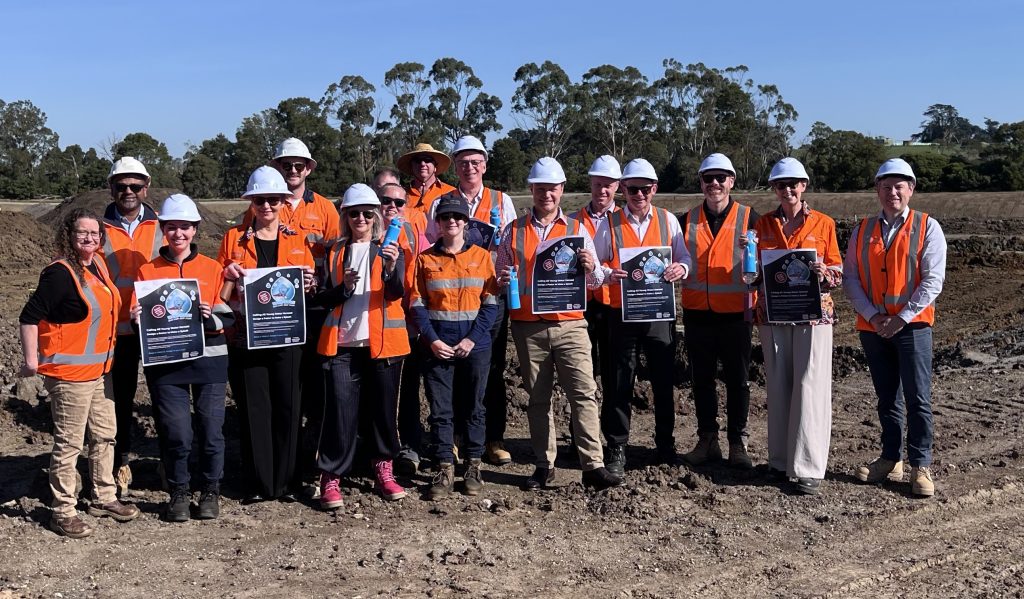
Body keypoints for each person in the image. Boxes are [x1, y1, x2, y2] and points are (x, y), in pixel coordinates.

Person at [496, 156, 623, 491]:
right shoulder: (512, 231)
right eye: (540, 189)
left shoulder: (577, 230)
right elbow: (500, 274)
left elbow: (596, 281)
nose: (546, 195)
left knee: (584, 394)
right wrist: (502, 276)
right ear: (532, 190)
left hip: (570, 325)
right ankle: (543, 465)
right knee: (538, 399)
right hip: (529, 327)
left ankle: (592, 465)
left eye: (552, 188)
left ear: (562, 190)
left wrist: (588, 267)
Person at [19, 208, 140, 538]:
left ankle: (103, 497)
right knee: (69, 444)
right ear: (68, 237)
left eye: (95, 233)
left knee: (105, 434)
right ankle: (62, 510)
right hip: (69, 376)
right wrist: (32, 361)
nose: (90, 238)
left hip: (100, 371)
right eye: (82, 233)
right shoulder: (59, 274)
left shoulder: (98, 265)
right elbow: (29, 317)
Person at [845, 158, 946, 498]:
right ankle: (891, 458)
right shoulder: (862, 231)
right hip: (873, 328)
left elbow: (933, 280)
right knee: (887, 397)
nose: (892, 192)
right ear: (877, 190)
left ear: (911, 189)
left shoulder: (927, 227)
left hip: (912, 327)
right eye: (886, 186)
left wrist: (900, 317)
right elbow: (851, 279)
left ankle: (921, 464)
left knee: (918, 398)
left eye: (899, 186)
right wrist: (873, 317)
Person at [131, 194, 234, 520]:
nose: (179, 234)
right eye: (172, 227)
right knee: (176, 431)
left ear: (195, 229)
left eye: (185, 227)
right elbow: (146, 325)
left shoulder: (212, 268)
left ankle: (210, 491)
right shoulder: (148, 272)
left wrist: (208, 317)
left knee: (210, 429)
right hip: (167, 364)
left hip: (209, 360)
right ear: (164, 229)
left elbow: (227, 317)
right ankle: (178, 492)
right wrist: (138, 320)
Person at [218, 166, 316, 504]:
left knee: (289, 407)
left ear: (283, 202)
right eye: (261, 201)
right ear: (252, 203)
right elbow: (220, 291)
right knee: (254, 408)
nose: (267, 207)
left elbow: (309, 285)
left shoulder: (297, 240)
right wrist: (227, 274)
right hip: (247, 337)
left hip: (288, 339)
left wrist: (310, 283)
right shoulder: (233, 239)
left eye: (273, 200)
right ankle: (260, 482)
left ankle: (287, 482)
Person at [313, 184, 410, 509]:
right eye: (354, 213)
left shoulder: (391, 247)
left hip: (384, 345)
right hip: (342, 347)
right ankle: (331, 475)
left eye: (367, 213)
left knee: (383, 412)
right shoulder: (335, 251)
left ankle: (384, 467)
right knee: (340, 413)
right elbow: (322, 297)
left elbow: (397, 293)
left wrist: (391, 268)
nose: (361, 218)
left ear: (377, 216)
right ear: (345, 216)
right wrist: (344, 289)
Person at [594, 158, 691, 474]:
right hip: (621, 315)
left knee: (663, 382)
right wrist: (608, 274)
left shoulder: (668, 221)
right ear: (623, 189)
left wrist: (682, 267)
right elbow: (594, 267)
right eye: (633, 189)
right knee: (620, 382)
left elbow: (684, 256)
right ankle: (617, 447)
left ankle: (665, 445)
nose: (639, 195)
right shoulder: (608, 224)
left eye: (645, 189)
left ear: (654, 189)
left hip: (659, 315)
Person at [753, 158, 842, 495]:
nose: (787, 190)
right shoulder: (762, 226)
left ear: (804, 185)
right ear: (774, 189)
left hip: (814, 316)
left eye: (793, 184)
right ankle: (779, 461)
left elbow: (837, 270)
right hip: (772, 317)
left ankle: (808, 466)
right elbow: (753, 274)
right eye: (780, 185)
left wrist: (824, 273)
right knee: (777, 386)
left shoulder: (824, 224)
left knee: (810, 388)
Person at [429, 135, 519, 467]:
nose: (470, 168)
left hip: (490, 296)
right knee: (452, 367)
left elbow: (510, 243)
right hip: (451, 298)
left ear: (485, 165)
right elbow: (432, 244)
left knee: (491, 368)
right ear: (456, 165)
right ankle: (452, 439)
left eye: (476, 162)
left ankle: (493, 438)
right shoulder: (443, 201)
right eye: (464, 162)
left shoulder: (501, 200)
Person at [409, 194, 499, 499]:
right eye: (446, 217)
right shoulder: (425, 259)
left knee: (474, 406)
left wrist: (471, 339)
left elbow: (490, 304)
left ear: (466, 223)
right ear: (438, 222)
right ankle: (444, 466)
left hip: (475, 343)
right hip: (437, 343)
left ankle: (473, 465)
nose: (452, 222)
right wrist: (432, 339)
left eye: (458, 218)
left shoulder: (483, 258)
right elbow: (417, 303)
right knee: (440, 409)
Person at [269, 138, 341, 496]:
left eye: (299, 165)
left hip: (313, 309)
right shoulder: (266, 205)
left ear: (309, 169)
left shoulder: (326, 209)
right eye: (287, 165)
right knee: (285, 386)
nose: (293, 171)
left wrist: (321, 277)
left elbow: (336, 257)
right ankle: (285, 460)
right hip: (276, 312)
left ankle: (313, 460)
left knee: (315, 387)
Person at [678, 153, 759, 470]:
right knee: (702, 380)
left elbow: (767, 265)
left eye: (720, 177)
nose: (714, 183)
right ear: (700, 183)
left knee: (738, 380)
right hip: (697, 313)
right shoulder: (686, 219)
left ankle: (738, 443)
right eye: (708, 178)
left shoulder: (751, 219)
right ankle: (707, 439)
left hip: (736, 314)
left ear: (732, 181)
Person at [102, 157, 164, 492]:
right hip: (117, 332)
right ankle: (120, 463)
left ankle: (169, 463)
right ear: (111, 188)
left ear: (146, 187)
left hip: (158, 329)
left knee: (165, 396)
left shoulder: (162, 226)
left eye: (135, 186)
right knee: (119, 401)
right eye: (121, 185)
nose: (128, 191)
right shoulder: (98, 229)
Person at [378, 182, 430, 475]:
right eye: (386, 201)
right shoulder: (364, 232)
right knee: (377, 394)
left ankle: (409, 447)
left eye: (399, 202)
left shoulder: (411, 233)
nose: (393, 207)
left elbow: (421, 274)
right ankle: (377, 450)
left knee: (408, 390)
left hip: (405, 325)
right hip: (370, 328)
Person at [568, 156, 621, 406]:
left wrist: (606, 273)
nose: (602, 190)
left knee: (613, 372)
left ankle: (612, 438)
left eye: (608, 184)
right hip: (580, 306)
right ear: (591, 184)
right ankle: (581, 437)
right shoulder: (571, 221)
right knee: (580, 372)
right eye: (598, 184)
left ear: (617, 186)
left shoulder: (625, 220)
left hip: (613, 305)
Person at [396, 143, 455, 215]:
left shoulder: (452, 192)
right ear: (411, 167)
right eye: (418, 160)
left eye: (427, 160)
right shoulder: (401, 195)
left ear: (435, 167)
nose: (423, 164)